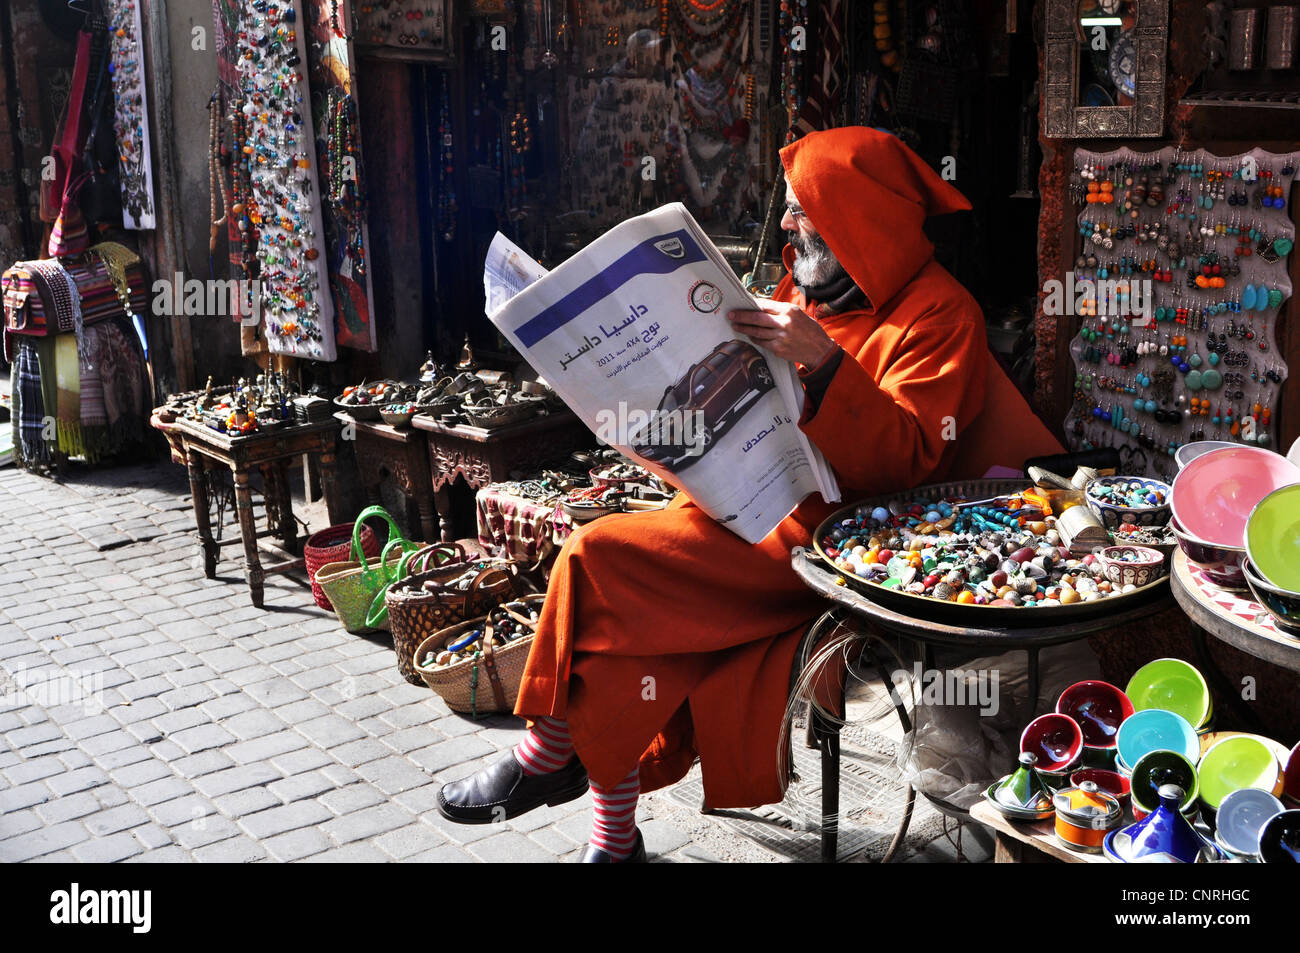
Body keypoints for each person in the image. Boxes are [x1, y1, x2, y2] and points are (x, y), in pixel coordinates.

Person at [436, 126, 1063, 861]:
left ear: (858, 215)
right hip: (744, 504)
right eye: (790, 208)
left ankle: (552, 755)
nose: (790, 225)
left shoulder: (941, 313)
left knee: (598, 555)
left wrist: (827, 365)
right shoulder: (802, 289)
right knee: (635, 613)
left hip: (843, 538)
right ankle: (610, 834)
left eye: (805, 209)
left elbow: (907, 459)